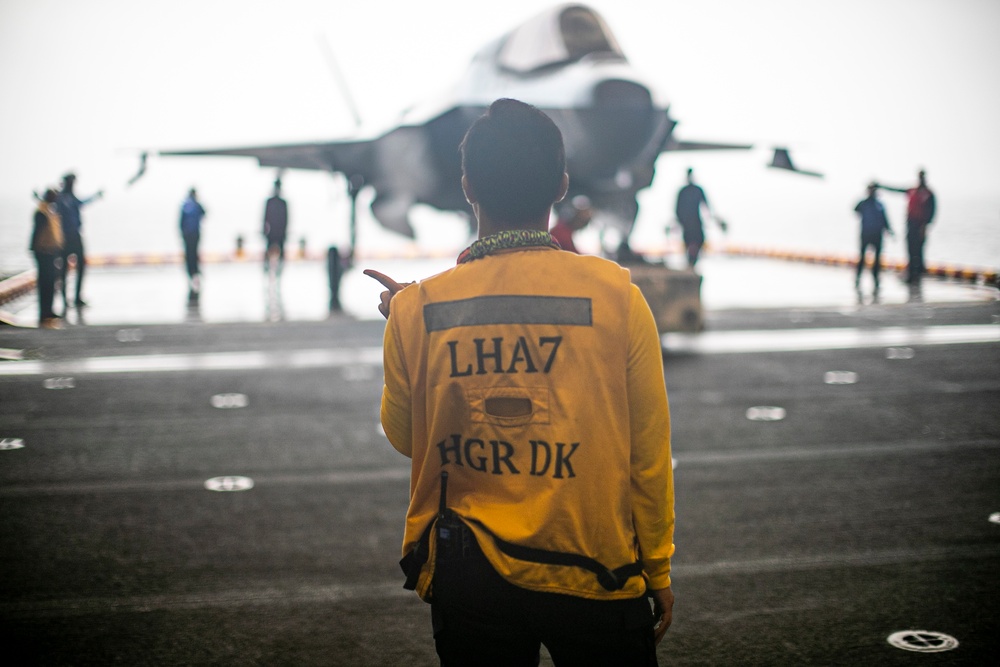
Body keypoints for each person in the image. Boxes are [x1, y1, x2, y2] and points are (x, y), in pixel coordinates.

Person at [365, 99, 675, 666]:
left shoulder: (417, 310)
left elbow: (407, 437)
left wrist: (407, 330)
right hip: (597, 569)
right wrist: (656, 566)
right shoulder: (618, 298)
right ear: (561, 184)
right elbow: (648, 455)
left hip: (470, 574)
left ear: (467, 186)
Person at [878, 170, 936, 284]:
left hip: (921, 226)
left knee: (918, 251)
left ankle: (918, 275)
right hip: (911, 225)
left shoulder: (928, 193)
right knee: (910, 250)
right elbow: (896, 189)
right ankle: (911, 275)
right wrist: (881, 186)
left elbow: (932, 211)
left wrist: (926, 225)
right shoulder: (911, 190)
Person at [56, 172, 102, 308]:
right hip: (65, 238)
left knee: (80, 266)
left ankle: (76, 297)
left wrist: (96, 196)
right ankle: (65, 299)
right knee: (64, 269)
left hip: (75, 236)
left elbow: (82, 202)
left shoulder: (70, 197)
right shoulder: (61, 198)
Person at [673, 167, 725, 268]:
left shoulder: (695, 190)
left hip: (695, 223)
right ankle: (691, 264)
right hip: (689, 225)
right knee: (692, 243)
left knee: (697, 242)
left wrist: (715, 220)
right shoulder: (685, 191)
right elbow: (677, 209)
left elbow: (707, 207)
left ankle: (692, 264)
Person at [30, 189, 65, 328]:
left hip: (50, 251)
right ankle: (44, 312)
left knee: (50, 282)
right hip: (43, 252)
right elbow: (37, 233)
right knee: (45, 282)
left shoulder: (49, 211)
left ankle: (48, 311)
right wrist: (36, 249)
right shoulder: (42, 212)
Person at [853, 182, 893, 295]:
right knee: (862, 258)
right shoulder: (863, 203)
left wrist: (889, 231)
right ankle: (857, 279)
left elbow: (885, 219)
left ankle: (876, 281)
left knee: (877, 260)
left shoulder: (879, 205)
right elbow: (855, 210)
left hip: (877, 235)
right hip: (865, 234)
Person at [179, 188, 206, 297]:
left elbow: (180, 222)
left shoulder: (185, 205)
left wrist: (182, 233)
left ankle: (192, 274)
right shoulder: (195, 205)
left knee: (190, 255)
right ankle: (194, 273)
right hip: (194, 234)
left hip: (189, 235)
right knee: (193, 254)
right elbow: (204, 213)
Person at [263, 179, 289, 275]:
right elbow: (265, 218)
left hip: (279, 234)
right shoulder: (271, 202)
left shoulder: (282, 203)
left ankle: (278, 271)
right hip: (272, 233)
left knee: (280, 254)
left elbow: (286, 220)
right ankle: (266, 270)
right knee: (268, 253)